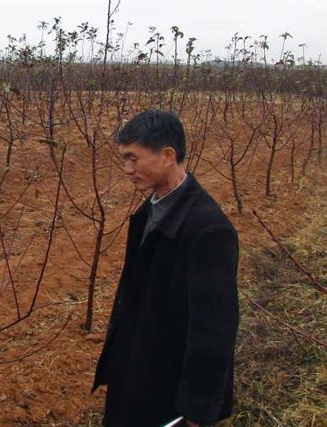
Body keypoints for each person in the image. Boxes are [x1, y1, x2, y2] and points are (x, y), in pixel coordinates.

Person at [92, 109, 239, 426]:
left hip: (166, 393)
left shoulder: (208, 229)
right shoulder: (151, 210)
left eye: (134, 158)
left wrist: (197, 412)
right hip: (136, 372)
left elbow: (213, 333)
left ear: (168, 155)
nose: (127, 169)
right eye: (124, 159)